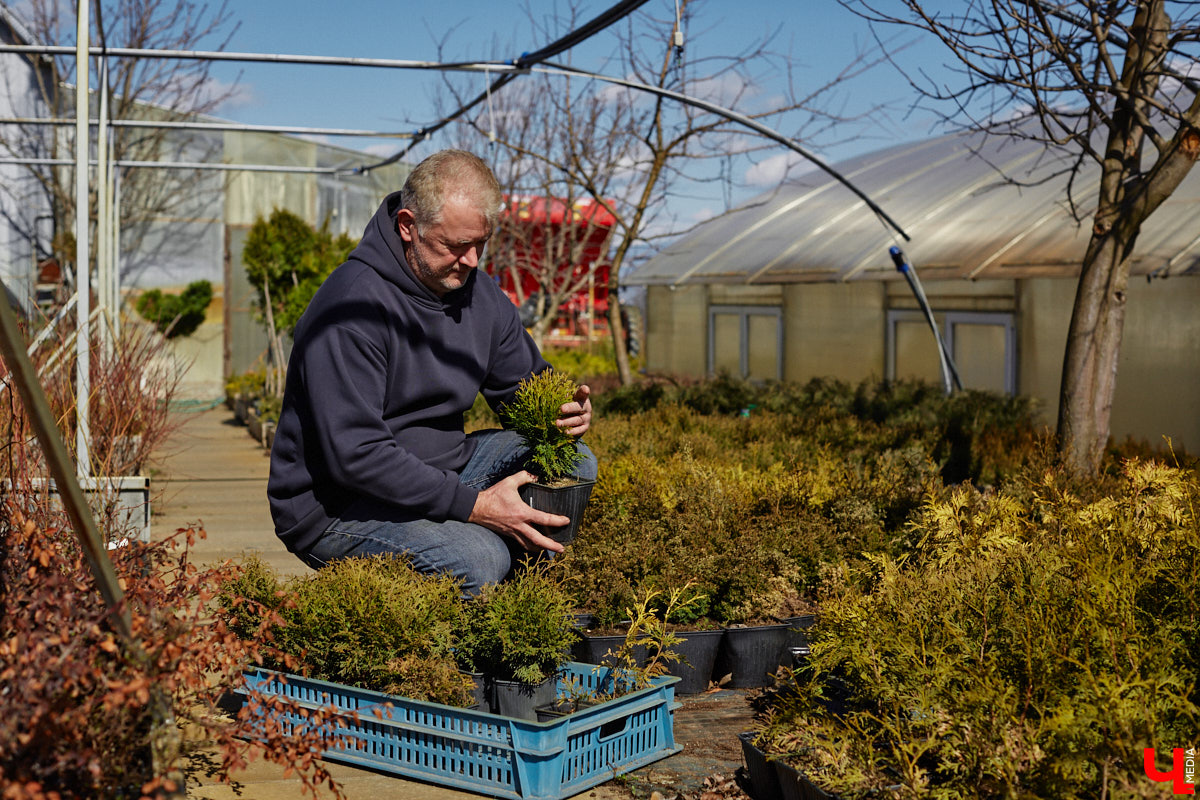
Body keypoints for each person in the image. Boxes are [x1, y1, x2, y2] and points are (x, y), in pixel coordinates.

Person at [267, 149, 597, 594]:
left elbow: (525, 388)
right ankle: (450, 651)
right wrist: (474, 506)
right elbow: (357, 455)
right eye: (456, 246)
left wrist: (561, 414)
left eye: (481, 243)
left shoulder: (476, 293)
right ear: (408, 227)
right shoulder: (351, 309)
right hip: (339, 504)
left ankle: (524, 606)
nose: (473, 261)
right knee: (479, 557)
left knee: (576, 461)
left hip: (441, 469)